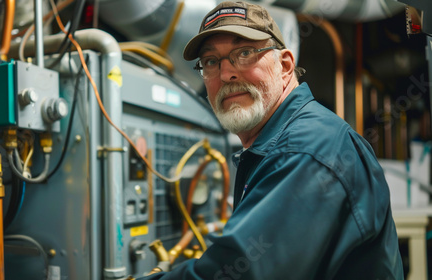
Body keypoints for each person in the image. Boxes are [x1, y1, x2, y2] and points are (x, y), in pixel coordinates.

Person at [139, 1, 404, 279]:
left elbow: (237, 272)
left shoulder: (306, 149)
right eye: (211, 62)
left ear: (285, 66)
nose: (226, 73)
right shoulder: (278, 144)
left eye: (244, 53)